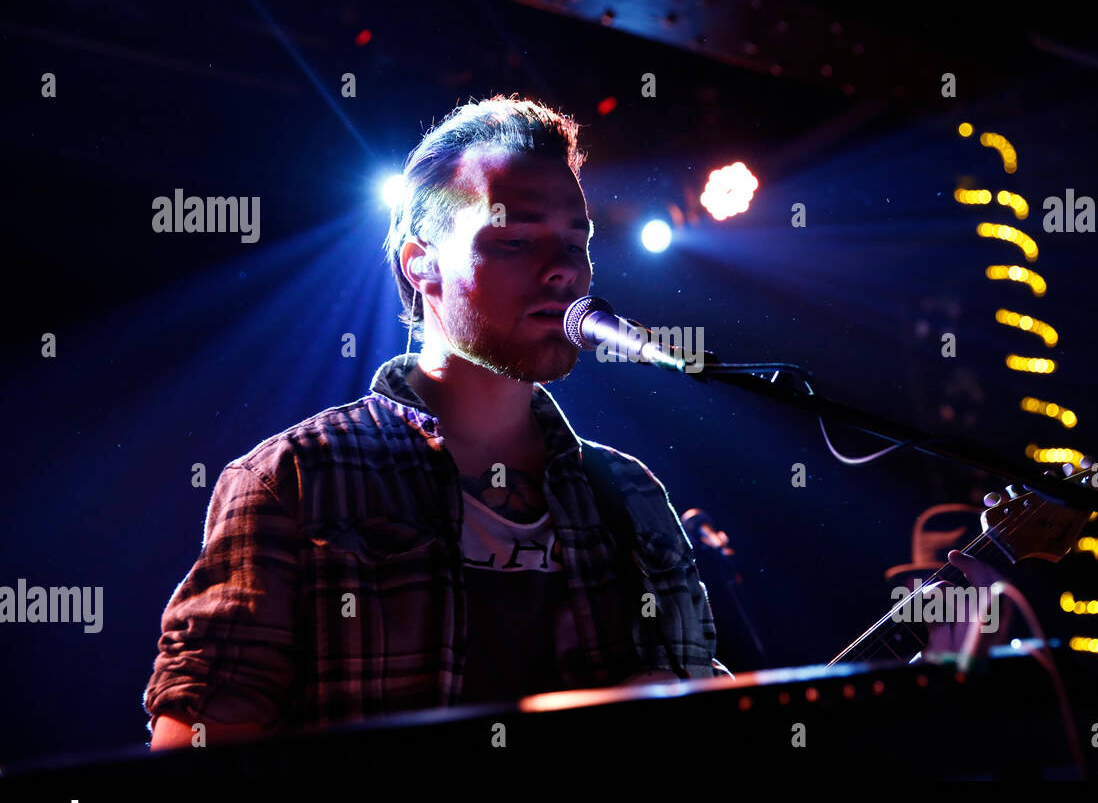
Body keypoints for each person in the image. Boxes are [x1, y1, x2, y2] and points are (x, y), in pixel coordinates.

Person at [145, 95, 726, 751]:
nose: (565, 269)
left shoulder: (632, 493)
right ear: (419, 263)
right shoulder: (294, 481)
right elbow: (190, 758)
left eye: (574, 242)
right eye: (513, 239)